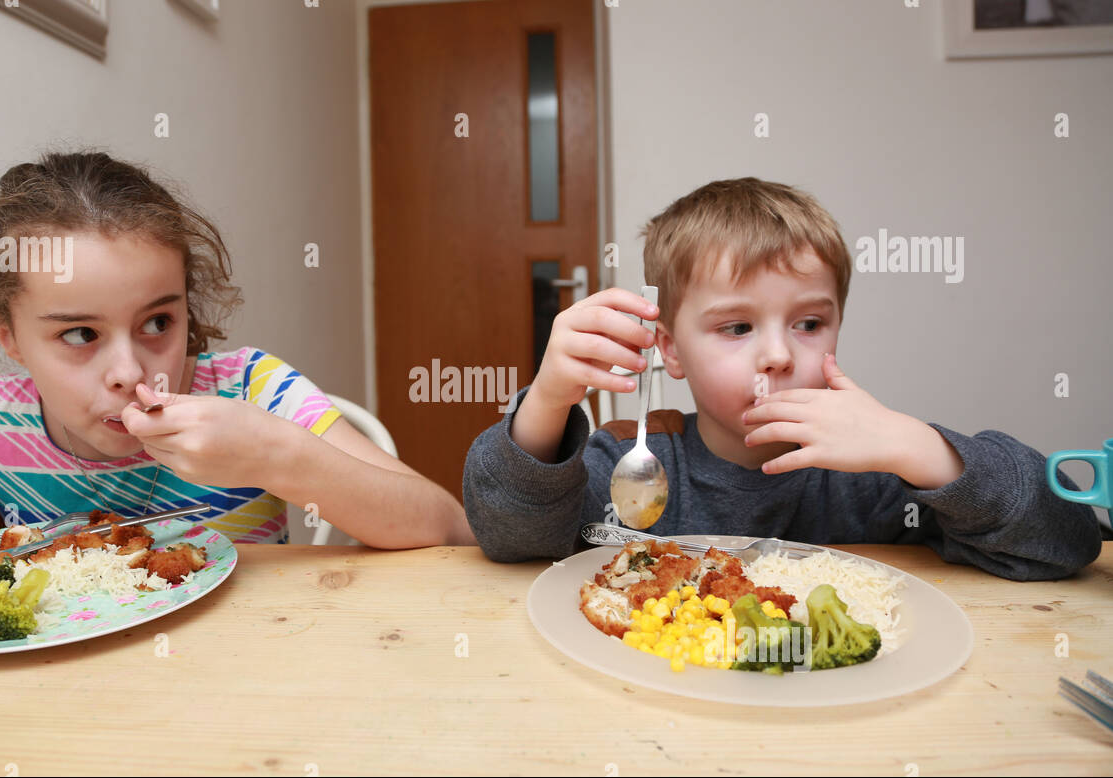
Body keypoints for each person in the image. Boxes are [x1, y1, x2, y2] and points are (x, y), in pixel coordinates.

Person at [462, 177, 1102, 579]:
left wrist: (925, 451)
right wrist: (547, 400)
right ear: (669, 350)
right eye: (737, 328)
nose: (777, 355)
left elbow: (1067, 540)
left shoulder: (875, 475)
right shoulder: (632, 471)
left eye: (809, 323)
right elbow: (510, 538)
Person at [0, 151, 474, 549]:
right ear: (7, 335)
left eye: (158, 322)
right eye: (80, 334)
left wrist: (273, 454)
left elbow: (448, 528)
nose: (128, 371)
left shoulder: (254, 393)